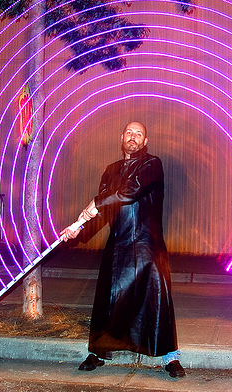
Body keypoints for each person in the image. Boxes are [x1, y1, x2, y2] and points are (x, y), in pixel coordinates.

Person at [60, 121, 184, 378]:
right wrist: (78, 227)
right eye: (129, 132)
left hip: (148, 245)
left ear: (145, 141)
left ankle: (170, 357)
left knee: (156, 301)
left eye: (139, 134)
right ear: (122, 137)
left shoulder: (152, 164)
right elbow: (101, 210)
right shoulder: (110, 169)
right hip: (119, 245)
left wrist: (95, 203)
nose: (133, 137)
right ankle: (98, 352)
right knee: (108, 299)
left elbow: (131, 190)